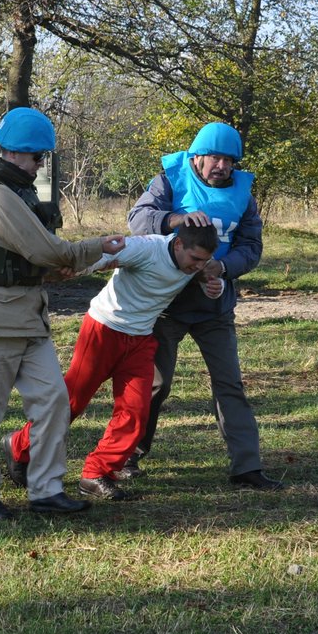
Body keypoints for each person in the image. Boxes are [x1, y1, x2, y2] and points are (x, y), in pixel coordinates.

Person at [0, 107, 125, 520]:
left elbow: (32, 257)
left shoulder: (16, 191)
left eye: (42, 156)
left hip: (29, 321)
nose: (41, 163)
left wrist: (61, 267)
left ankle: (45, 489)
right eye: (36, 156)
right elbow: (43, 249)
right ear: (13, 153)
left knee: (53, 403)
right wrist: (95, 247)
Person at [4, 223, 219, 501]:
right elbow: (106, 255)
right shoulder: (147, 248)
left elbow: (211, 272)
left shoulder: (196, 260)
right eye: (195, 260)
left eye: (204, 260)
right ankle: (19, 445)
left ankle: (96, 473)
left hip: (141, 338)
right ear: (178, 244)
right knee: (72, 401)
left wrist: (215, 284)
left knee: (136, 410)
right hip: (104, 329)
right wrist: (75, 268)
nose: (199, 266)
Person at [126, 122, 285, 490]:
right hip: (166, 303)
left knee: (229, 383)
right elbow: (137, 220)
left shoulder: (244, 194)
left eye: (229, 161)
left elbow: (251, 246)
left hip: (215, 304)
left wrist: (224, 268)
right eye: (215, 157)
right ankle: (127, 456)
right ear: (197, 156)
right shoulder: (169, 180)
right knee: (154, 384)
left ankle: (247, 468)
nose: (222, 166)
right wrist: (175, 219)